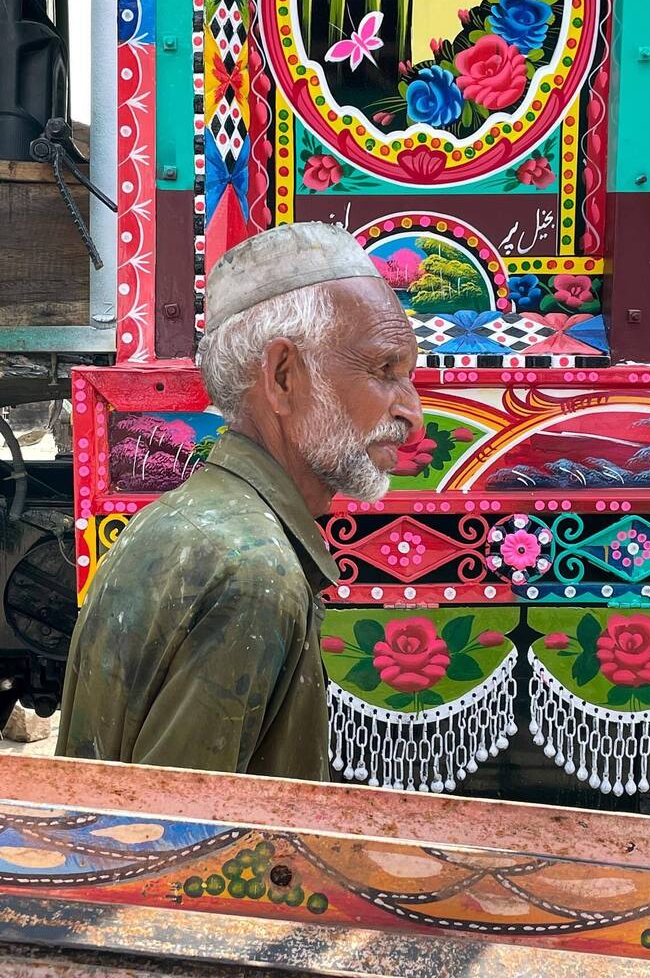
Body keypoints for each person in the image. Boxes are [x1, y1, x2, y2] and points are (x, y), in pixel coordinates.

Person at [57, 222, 422, 778]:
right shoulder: (253, 572)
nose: (411, 414)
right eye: (385, 372)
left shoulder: (184, 518)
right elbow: (191, 847)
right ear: (282, 376)